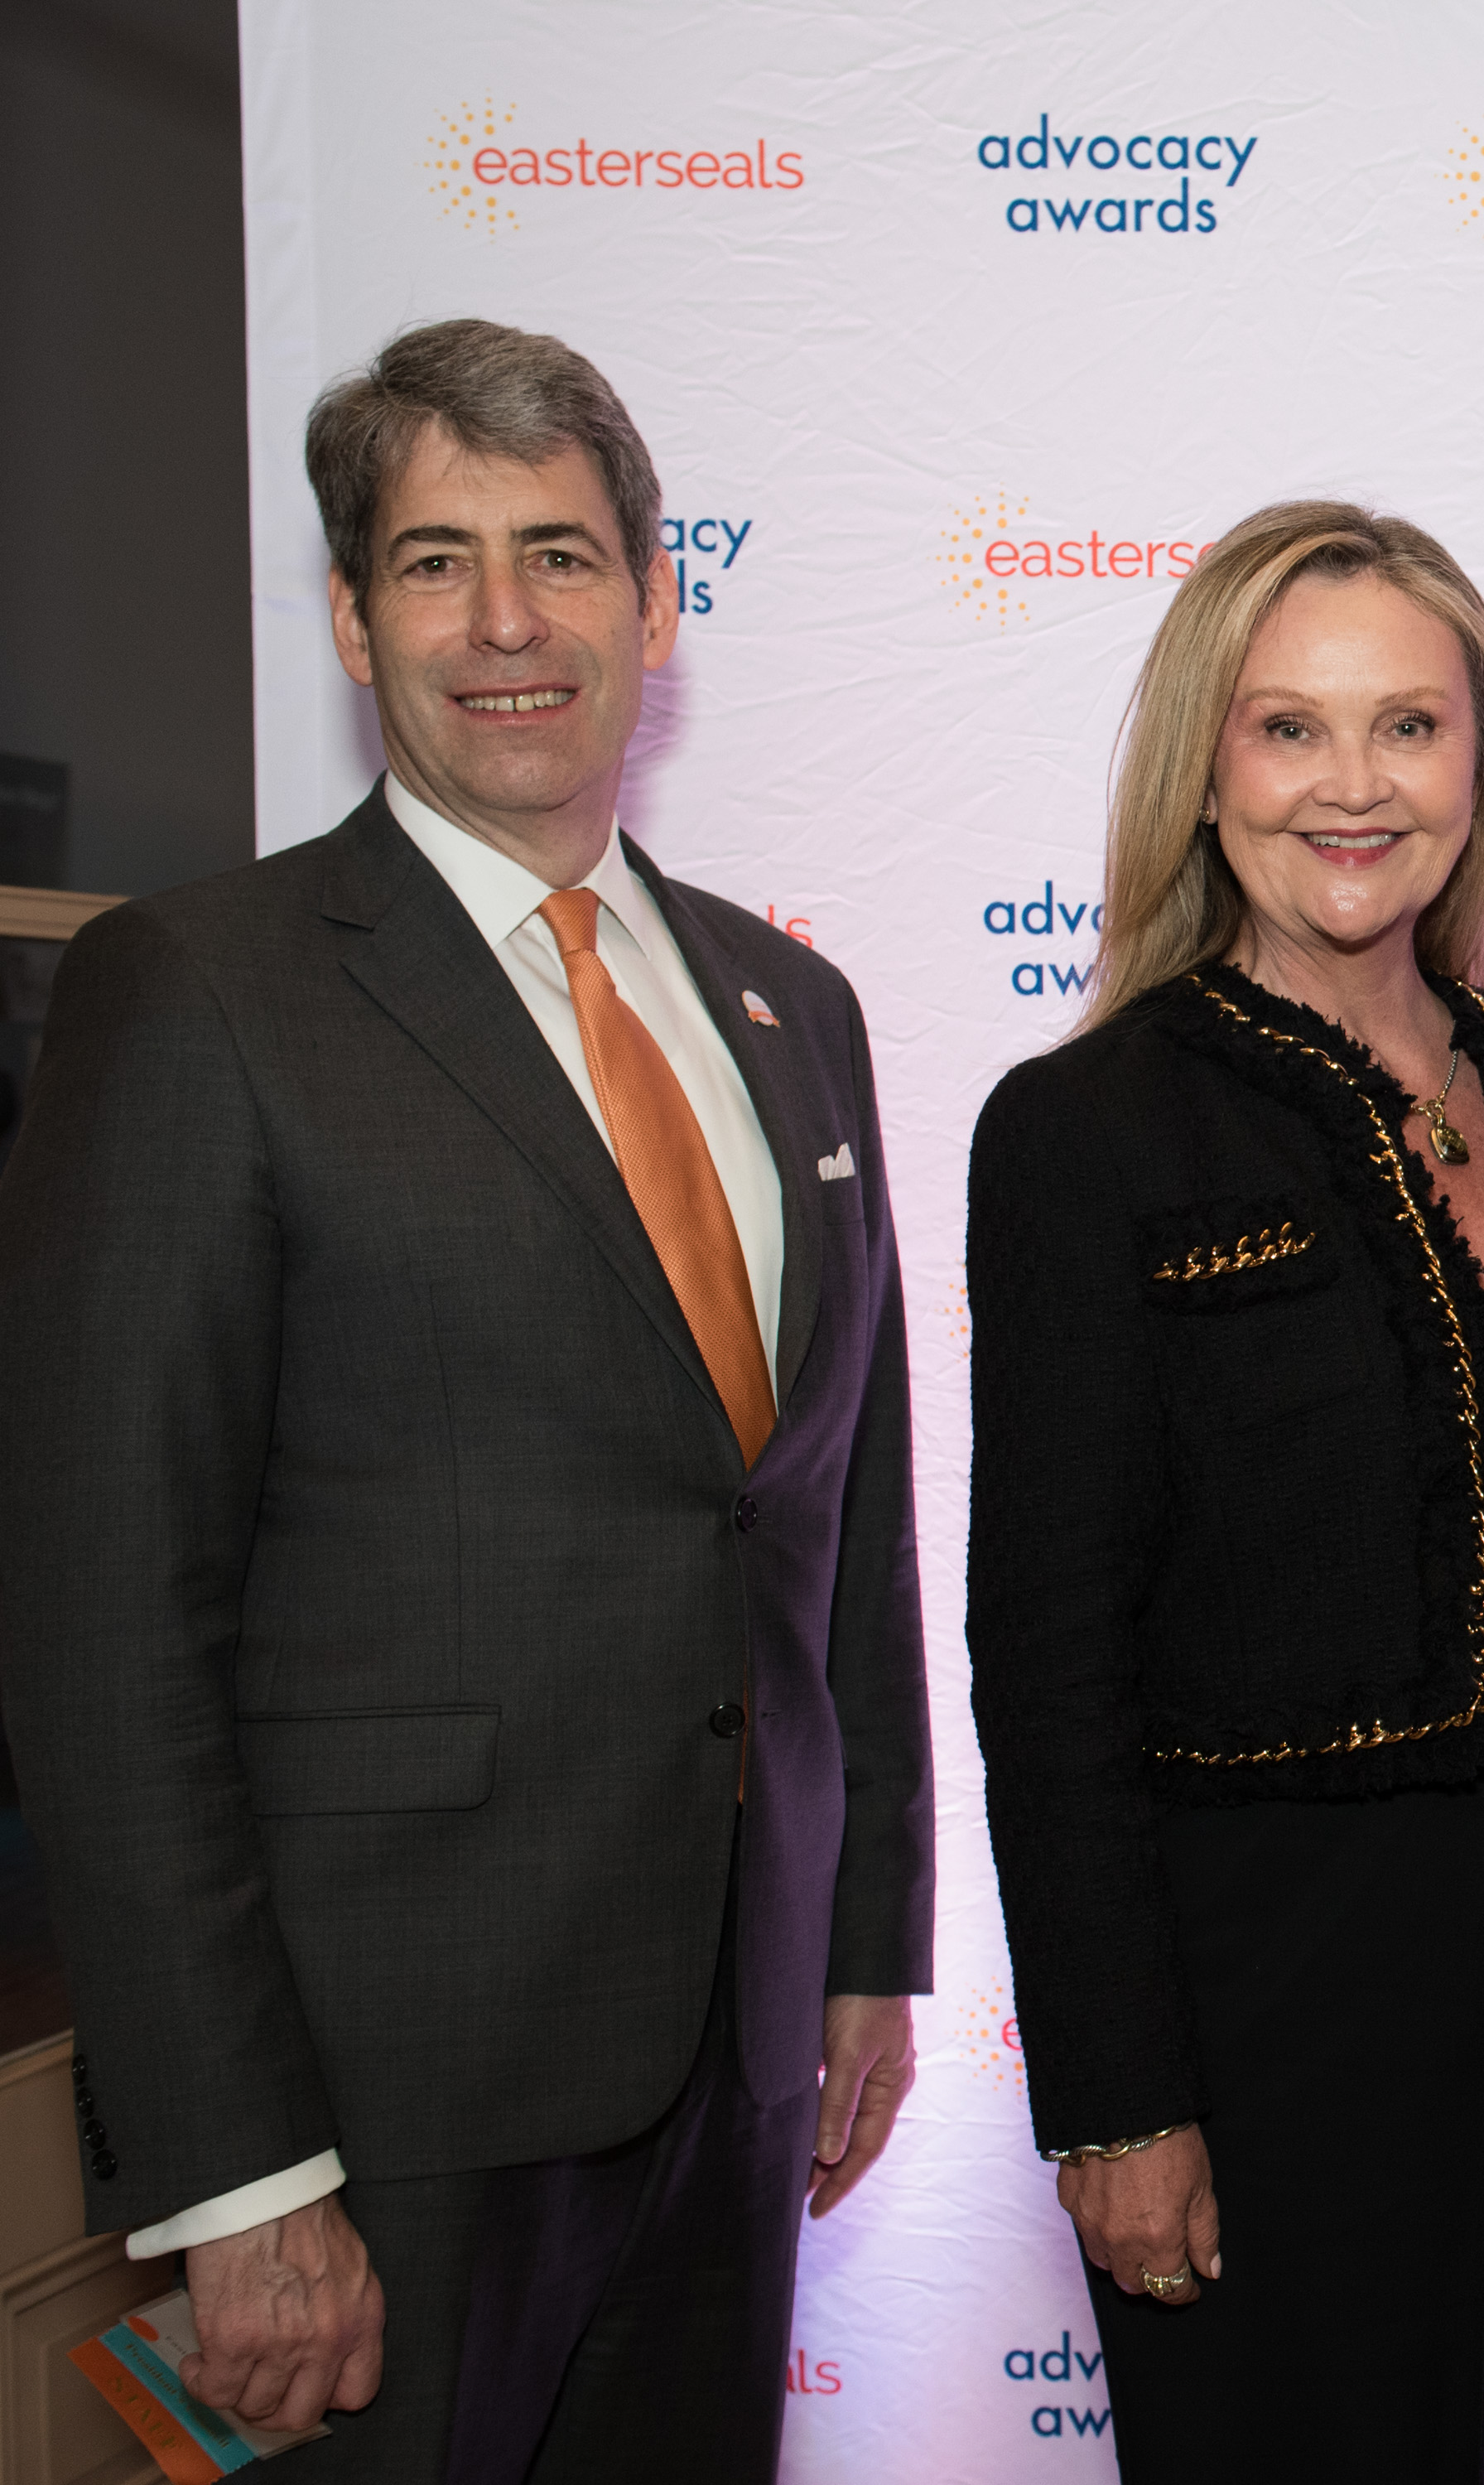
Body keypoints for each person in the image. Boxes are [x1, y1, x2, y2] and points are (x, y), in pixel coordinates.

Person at [0, 318, 932, 2478]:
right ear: (349, 617)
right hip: (376, 2109)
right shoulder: (200, 995)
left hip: (741, 2061)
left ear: (656, 601)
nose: (505, 623)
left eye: (559, 556)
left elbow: (834, 1524)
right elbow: (106, 1625)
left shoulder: (797, 1011)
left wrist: (861, 1927)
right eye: (433, 563)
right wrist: (239, 2178)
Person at [965, 501, 1484, 2485]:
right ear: (1205, 766)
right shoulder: (1089, 1125)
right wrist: (1112, 2099)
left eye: (1408, 729)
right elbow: (1045, 1652)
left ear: (1479, 767)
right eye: (1290, 730)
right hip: (1251, 1995)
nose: (1354, 786)